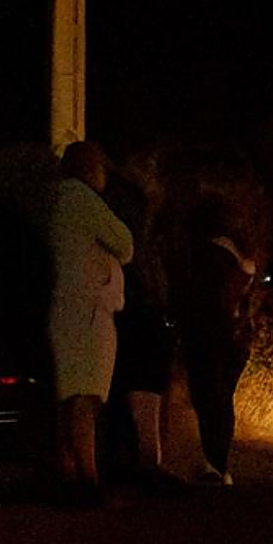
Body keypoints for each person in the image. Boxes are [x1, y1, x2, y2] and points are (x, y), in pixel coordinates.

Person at [46, 140, 134, 505]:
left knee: (66, 397)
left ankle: (69, 476)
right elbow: (125, 243)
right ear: (88, 169)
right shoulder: (83, 200)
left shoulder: (52, 200)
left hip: (60, 308)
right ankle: (89, 481)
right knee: (85, 396)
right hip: (87, 311)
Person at [105, 153, 180, 492]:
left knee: (131, 389)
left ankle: (137, 462)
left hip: (130, 306)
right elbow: (137, 257)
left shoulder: (122, 204)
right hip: (138, 307)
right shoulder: (133, 209)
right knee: (145, 388)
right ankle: (147, 464)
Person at [175, 201, 258, 485]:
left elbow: (208, 299)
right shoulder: (242, 255)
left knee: (209, 396)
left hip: (212, 333)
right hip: (237, 335)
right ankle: (218, 463)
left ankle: (212, 462)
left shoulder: (210, 255)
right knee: (222, 398)